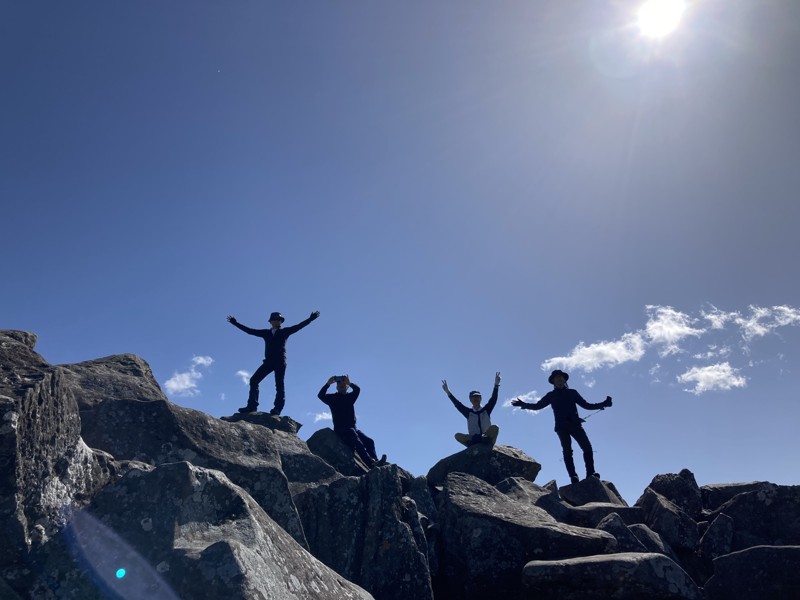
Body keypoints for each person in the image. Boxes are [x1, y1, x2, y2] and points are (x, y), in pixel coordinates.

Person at [512, 369, 612, 484]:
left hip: (575, 425)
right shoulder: (551, 395)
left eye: (561, 377)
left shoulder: (572, 393)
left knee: (587, 448)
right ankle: (573, 477)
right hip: (561, 427)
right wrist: (524, 404)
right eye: (557, 377)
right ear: (553, 381)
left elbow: (586, 405)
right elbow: (538, 406)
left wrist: (603, 404)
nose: (559, 379)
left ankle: (590, 473)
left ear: (564, 380)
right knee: (567, 452)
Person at [227, 310, 320, 415]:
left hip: (280, 361)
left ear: (281, 321)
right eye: (275, 319)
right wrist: (235, 323)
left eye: (279, 319)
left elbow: (298, 326)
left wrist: (310, 319)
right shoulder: (266, 333)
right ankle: (252, 406)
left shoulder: (285, 331)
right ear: (270, 321)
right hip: (268, 362)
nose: (277, 321)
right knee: (254, 380)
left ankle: (277, 409)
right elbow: (250, 331)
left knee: (279, 385)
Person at [317, 375, 386, 468]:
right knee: (357, 441)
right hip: (341, 429)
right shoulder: (332, 398)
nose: (342, 385)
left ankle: (376, 461)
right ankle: (371, 464)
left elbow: (357, 389)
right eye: (339, 385)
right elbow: (320, 395)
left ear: (347, 387)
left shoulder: (350, 397)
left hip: (353, 427)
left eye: (344, 384)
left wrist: (349, 382)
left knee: (369, 441)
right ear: (336, 387)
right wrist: (328, 384)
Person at [442, 372, 501, 447]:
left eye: (477, 397)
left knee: (495, 427)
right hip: (474, 438)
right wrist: (448, 392)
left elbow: (493, 399)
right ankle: (476, 442)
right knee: (457, 436)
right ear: (470, 399)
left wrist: (496, 385)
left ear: (480, 398)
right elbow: (458, 404)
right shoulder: (468, 412)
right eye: (473, 397)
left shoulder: (486, 409)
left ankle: (484, 440)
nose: (475, 398)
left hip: (487, 437)